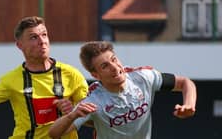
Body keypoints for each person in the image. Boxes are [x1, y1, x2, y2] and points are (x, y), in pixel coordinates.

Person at [0, 16, 89, 139]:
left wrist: (74, 111)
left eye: (44, 35)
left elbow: (93, 117)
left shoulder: (72, 74)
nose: (42, 41)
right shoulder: (10, 79)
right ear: (19, 45)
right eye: (33, 37)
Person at [49, 41, 197, 139]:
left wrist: (189, 105)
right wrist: (72, 116)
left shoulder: (143, 77)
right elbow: (54, 134)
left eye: (114, 59)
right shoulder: (94, 100)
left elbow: (185, 82)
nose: (115, 68)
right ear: (96, 75)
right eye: (105, 66)